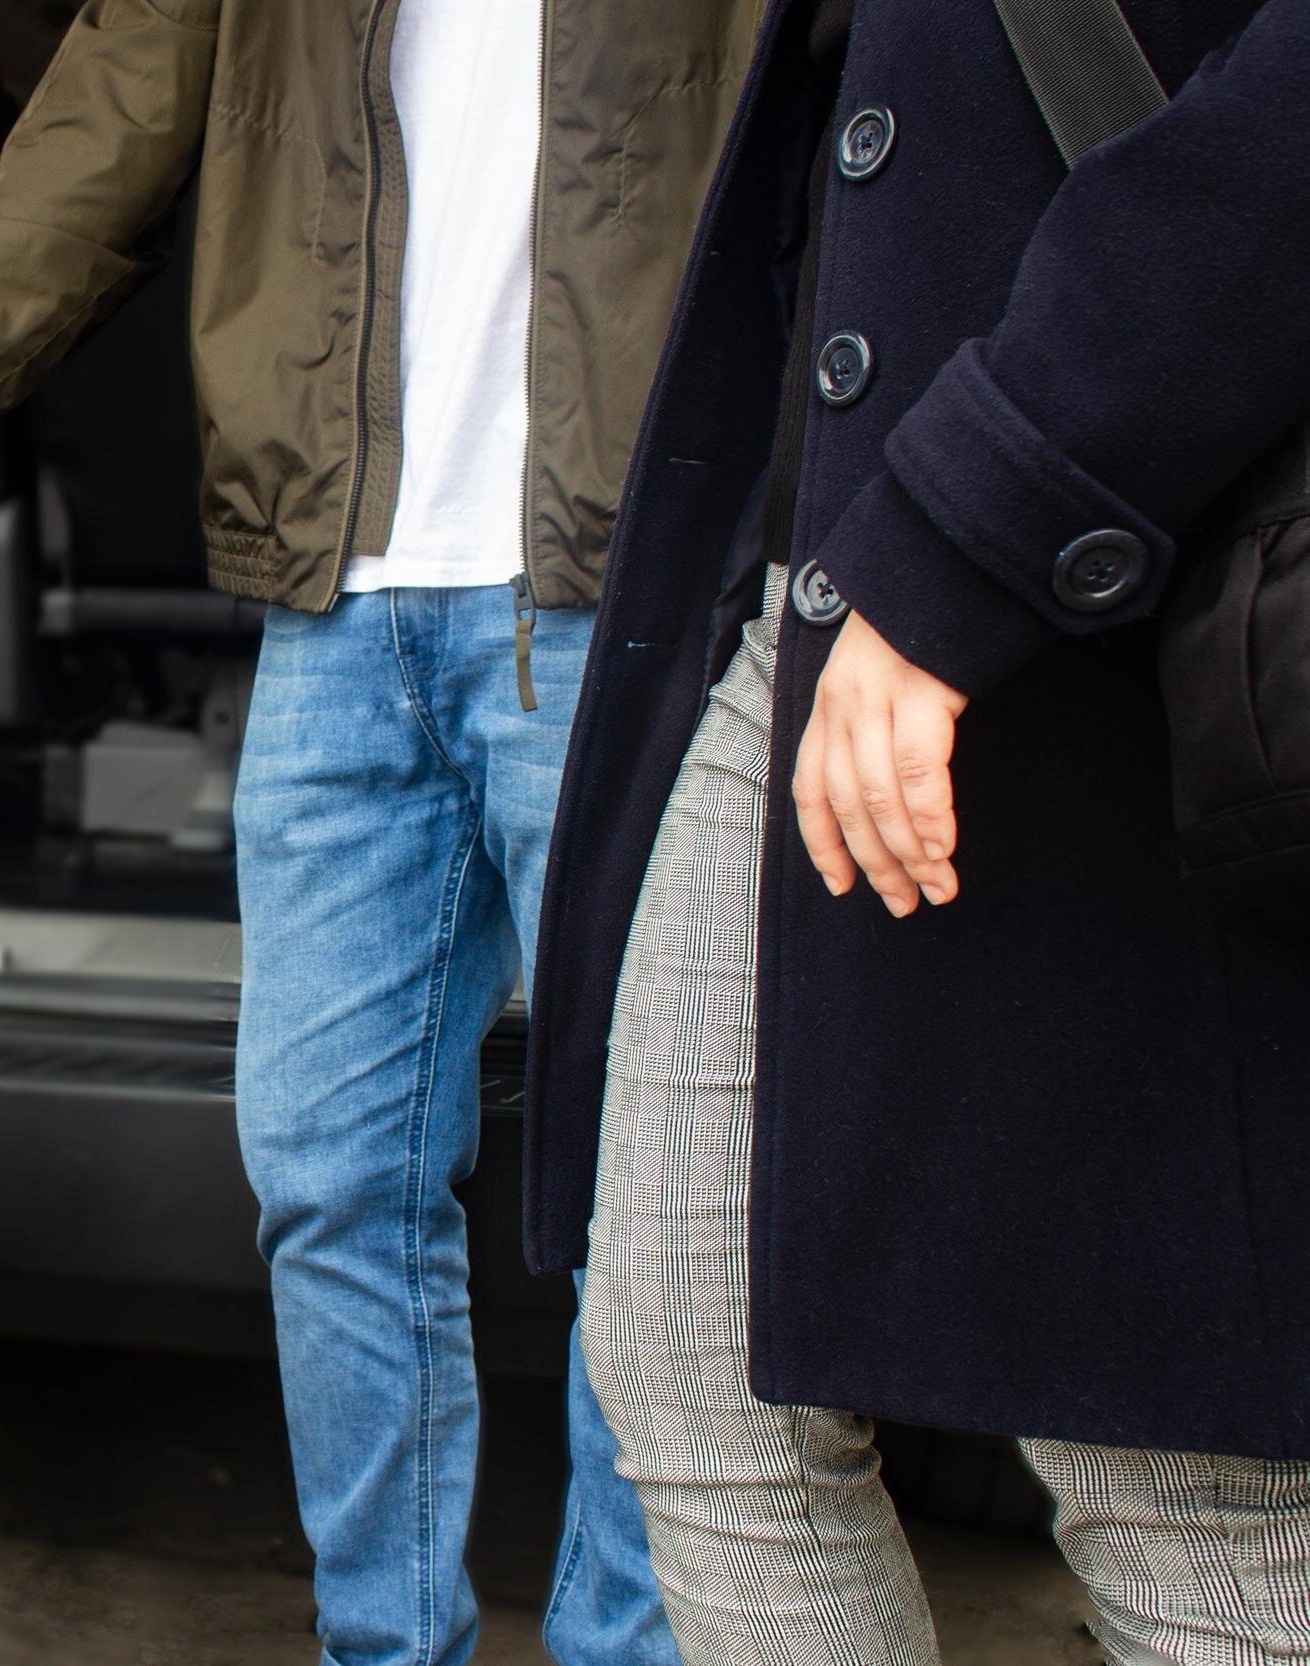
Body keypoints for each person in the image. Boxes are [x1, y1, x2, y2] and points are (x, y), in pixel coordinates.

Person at [0, 1, 756, 1658]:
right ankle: (381, 1646)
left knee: (658, 1205)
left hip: (623, 593)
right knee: (328, 1183)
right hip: (335, 610)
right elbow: (90, 143)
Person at [519, 0, 1310, 1659]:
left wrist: (982, 520)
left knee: (1179, 1472)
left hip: (1131, 587)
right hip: (840, 590)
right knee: (693, 1359)